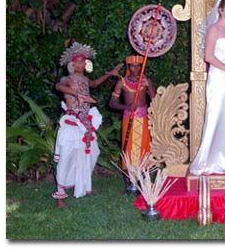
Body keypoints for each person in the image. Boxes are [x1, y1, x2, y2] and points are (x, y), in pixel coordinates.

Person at [53, 42, 123, 208]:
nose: (80, 64)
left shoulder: (85, 79)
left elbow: (94, 84)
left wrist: (110, 74)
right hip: (72, 122)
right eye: (76, 61)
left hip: (85, 122)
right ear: (71, 64)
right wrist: (77, 94)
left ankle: (81, 183)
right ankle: (60, 194)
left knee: (91, 153)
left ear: (87, 63)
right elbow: (58, 86)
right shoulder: (68, 79)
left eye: (82, 61)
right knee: (66, 157)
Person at [189, 0, 225, 175]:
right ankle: (205, 161)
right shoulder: (214, 29)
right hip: (219, 79)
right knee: (215, 116)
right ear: (220, 10)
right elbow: (208, 56)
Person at [109, 55, 155, 188]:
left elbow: (154, 100)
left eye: (138, 66)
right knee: (128, 149)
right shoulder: (122, 82)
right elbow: (112, 103)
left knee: (144, 149)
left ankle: (143, 183)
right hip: (128, 118)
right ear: (128, 67)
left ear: (142, 67)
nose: (135, 69)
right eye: (132, 66)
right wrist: (126, 107)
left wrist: (149, 87)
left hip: (143, 119)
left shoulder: (146, 80)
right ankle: (129, 183)